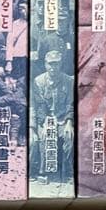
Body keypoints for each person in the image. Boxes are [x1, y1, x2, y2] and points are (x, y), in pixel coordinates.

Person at [30, 49, 74, 183]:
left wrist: (69, 122)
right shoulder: (39, 81)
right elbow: (39, 106)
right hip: (44, 119)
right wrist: (44, 123)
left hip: (61, 120)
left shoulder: (68, 81)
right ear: (45, 64)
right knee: (44, 136)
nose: (53, 67)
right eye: (50, 64)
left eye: (56, 64)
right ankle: (43, 172)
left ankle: (67, 172)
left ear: (61, 64)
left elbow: (70, 104)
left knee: (69, 136)